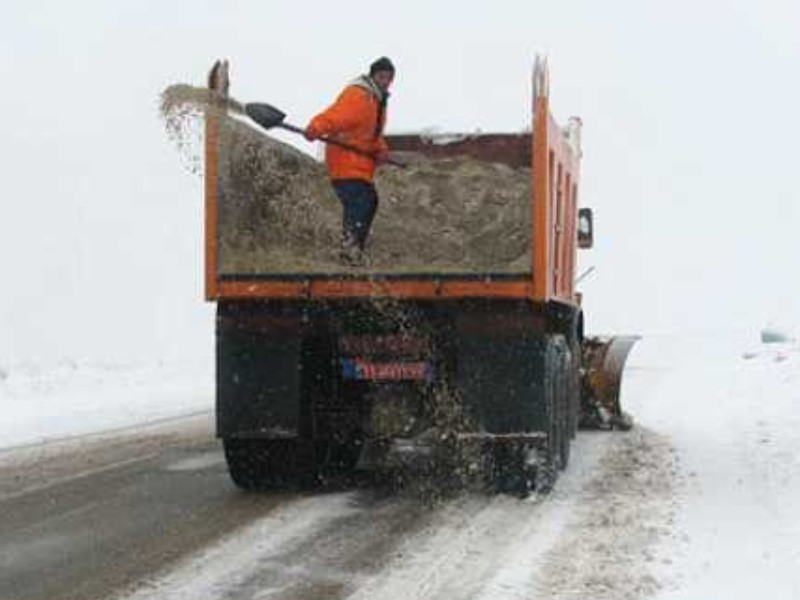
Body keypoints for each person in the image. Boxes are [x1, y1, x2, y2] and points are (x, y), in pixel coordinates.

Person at [304, 57, 395, 264]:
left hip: (359, 166)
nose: (385, 82)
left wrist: (380, 150)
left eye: (389, 78)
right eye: (382, 76)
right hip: (345, 163)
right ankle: (349, 250)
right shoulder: (359, 96)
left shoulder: (376, 100)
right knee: (362, 201)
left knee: (368, 201)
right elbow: (336, 116)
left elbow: (370, 134)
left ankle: (353, 250)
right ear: (373, 75)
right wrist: (316, 127)